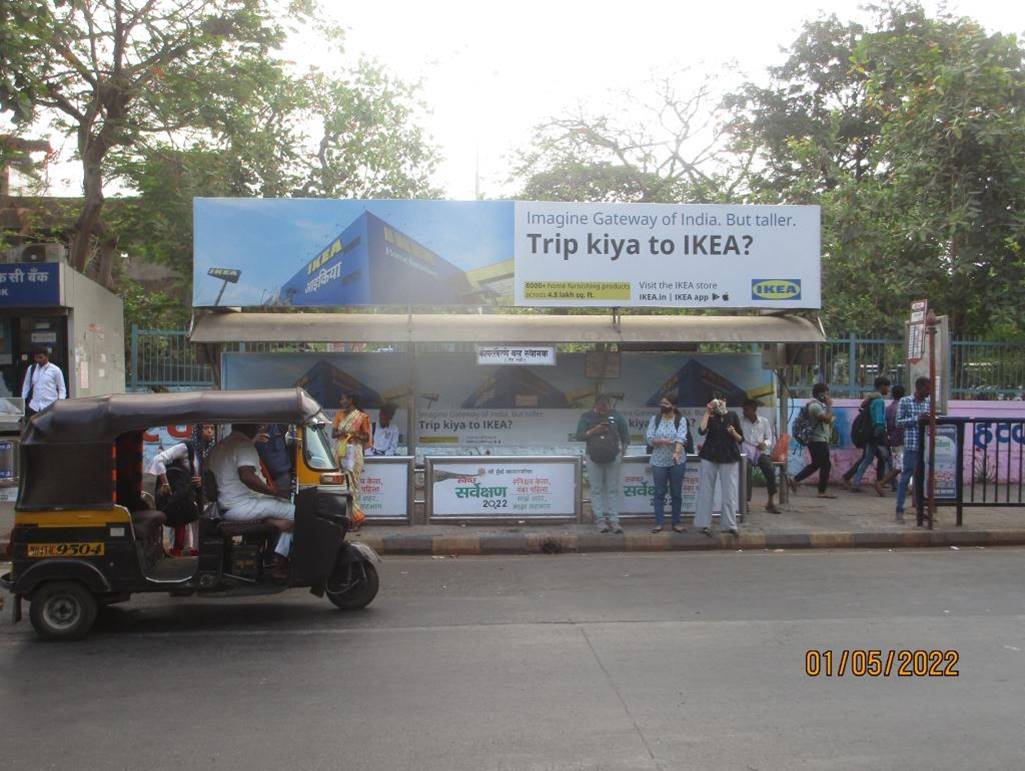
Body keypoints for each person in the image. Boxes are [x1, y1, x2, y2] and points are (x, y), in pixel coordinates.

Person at [206, 423, 294, 580]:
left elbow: (211, 491)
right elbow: (247, 476)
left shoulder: (217, 447)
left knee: (278, 510)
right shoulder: (245, 446)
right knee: (296, 513)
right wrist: (275, 492)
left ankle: (272, 523)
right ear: (251, 427)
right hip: (242, 506)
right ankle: (278, 563)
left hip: (227, 507)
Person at [577, 394, 630, 534]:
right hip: (593, 456)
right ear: (595, 405)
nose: (603, 410)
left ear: (609, 405)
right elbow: (579, 435)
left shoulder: (616, 416)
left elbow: (625, 435)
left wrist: (623, 452)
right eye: (600, 407)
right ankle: (600, 520)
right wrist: (594, 430)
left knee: (612, 489)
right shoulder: (586, 416)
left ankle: (614, 520)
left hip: (613, 456)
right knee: (596, 489)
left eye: (605, 407)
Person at [694, 390, 744, 537]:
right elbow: (701, 431)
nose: (718, 404)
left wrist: (733, 432)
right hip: (710, 455)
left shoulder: (733, 415)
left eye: (720, 400)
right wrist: (707, 412)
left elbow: (741, 439)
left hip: (729, 455)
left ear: (725, 400)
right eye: (714, 401)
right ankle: (704, 524)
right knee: (706, 490)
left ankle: (729, 524)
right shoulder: (711, 415)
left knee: (729, 491)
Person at [148, 438, 202, 556]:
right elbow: (158, 459)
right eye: (206, 428)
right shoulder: (185, 447)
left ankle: (192, 551)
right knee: (179, 520)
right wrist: (165, 483)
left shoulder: (204, 449)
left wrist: (201, 480)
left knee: (196, 520)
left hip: (193, 493)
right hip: (181, 493)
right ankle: (176, 551)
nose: (210, 431)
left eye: (211, 428)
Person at [644, 396, 688, 533]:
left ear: (673, 406)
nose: (662, 405)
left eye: (666, 403)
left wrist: (676, 452)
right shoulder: (655, 419)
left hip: (677, 461)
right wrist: (663, 441)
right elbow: (649, 438)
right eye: (661, 402)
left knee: (676, 493)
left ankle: (676, 523)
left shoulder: (680, 420)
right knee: (659, 493)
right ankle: (659, 523)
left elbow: (681, 438)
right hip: (658, 461)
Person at [789, 383, 837, 499]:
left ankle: (795, 479)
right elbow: (826, 419)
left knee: (816, 464)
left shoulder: (817, 405)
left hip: (817, 439)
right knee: (825, 464)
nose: (828, 396)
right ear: (821, 394)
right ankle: (821, 492)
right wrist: (829, 406)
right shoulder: (815, 406)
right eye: (826, 393)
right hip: (817, 440)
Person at [845, 376, 892, 493]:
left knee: (867, 459)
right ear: (882, 386)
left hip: (869, 434)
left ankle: (856, 483)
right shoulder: (879, 401)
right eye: (887, 386)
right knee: (888, 458)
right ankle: (889, 483)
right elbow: (879, 420)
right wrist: (882, 434)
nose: (888, 389)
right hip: (876, 434)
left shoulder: (870, 400)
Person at [333, 391, 373, 527]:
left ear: (350, 400)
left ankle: (355, 518)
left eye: (343, 399)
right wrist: (342, 433)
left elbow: (366, 438)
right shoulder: (338, 415)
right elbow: (334, 433)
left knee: (353, 486)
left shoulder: (362, 417)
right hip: (340, 452)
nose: (340, 402)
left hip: (354, 453)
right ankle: (346, 518)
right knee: (341, 486)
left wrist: (353, 435)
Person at [895, 377, 932, 523]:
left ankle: (920, 510)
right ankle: (899, 510)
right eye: (927, 389)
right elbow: (898, 422)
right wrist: (917, 419)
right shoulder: (905, 401)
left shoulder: (928, 403)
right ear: (919, 388)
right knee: (906, 478)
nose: (929, 392)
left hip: (926, 445)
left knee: (921, 480)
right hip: (912, 444)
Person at [740, 398, 780, 514]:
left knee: (770, 468)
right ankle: (745, 503)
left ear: (754, 409)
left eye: (746, 410)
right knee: (745, 469)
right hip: (745, 453)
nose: (744, 412)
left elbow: (769, 438)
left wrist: (765, 443)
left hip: (760, 452)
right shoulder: (741, 422)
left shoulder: (764, 421)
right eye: (743, 410)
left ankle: (770, 502)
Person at [877, 384, 906, 493]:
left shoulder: (888, 408)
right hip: (901, 440)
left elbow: (886, 424)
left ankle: (906, 486)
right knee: (900, 466)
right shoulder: (902, 408)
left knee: (902, 464)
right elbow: (901, 426)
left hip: (893, 439)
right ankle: (881, 483)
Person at [21, 349, 66, 415]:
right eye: (36, 358)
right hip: (34, 407)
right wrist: (22, 401)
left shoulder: (56, 370)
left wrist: (60, 403)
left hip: (50, 406)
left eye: (41, 357)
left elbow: (62, 388)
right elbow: (26, 386)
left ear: (47, 357)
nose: (38, 360)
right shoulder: (31, 369)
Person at [255, 423, 292, 493]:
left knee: (282, 500)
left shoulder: (278, 425)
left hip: (281, 476)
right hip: (260, 476)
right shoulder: (253, 430)